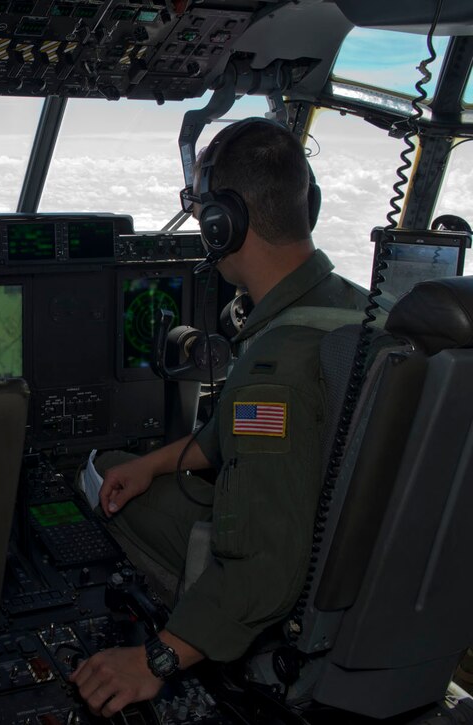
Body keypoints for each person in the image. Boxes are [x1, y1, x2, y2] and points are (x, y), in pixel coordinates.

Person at [70, 118, 366, 716]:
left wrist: (155, 658)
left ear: (222, 224)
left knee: (101, 475)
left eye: (204, 211)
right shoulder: (354, 305)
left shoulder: (273, 377)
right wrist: (157, 463)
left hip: (291, 588)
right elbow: (248, 432)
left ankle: (213, 640)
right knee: (136, 471)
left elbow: (265, 567)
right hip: (357, 557)